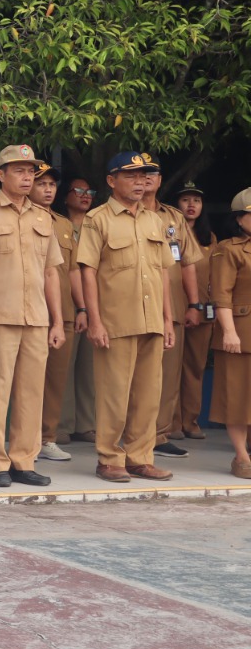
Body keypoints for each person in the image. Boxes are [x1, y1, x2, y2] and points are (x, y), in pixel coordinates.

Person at [0, 145, 65, 488]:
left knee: (32, 394)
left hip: (36, 318)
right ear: (1, 175)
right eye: (18, 170)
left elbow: (51, 274)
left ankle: (24, 460)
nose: (26, 177)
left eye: (30, 171)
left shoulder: (43, 217)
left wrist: (57, 321)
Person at [76, 151, 175, 482]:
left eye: (144, 175)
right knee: (114, 394)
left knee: (149, 396)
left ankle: (140, 457)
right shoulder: (98, 219)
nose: (140, 181)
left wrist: (167, 319)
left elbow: (162, 272)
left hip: (151, 320)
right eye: (131, 176)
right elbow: (87, 271)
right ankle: (109, 458)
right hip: (116, 322)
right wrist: (95, 320)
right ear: (111, 181)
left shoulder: (154, 220)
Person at [144, 172, 205, 457]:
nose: (144, 179)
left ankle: (159, 434)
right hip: (131, 307)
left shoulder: (173, 218)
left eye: (151, 174)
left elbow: (188, 263)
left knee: (168, 377)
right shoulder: (109, 216)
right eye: (136, 174)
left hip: (175, 308)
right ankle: (129, 435)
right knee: (131, 376)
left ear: (159, 180)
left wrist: (194, 304)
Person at [31, 164, 82, 463]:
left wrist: (83, 308)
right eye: (42, 184)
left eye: (51, 184)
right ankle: (23, 438)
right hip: (30, 311)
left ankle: (47, 438)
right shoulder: (21, 219)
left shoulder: (63, 225)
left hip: (63, 314)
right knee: (25, 380)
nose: (48, 189)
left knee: (55, 380)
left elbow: (74, 270)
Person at [208, 188, 251, 481]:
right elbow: (221, 295)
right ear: (240, 219)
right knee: (236, 397)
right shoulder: (230, 249)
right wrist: (229, 332)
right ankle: (241, 456)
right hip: (242, 331)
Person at [58, 177, 98, 443]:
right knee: (65, 364)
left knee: (90, 366)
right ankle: (63, 425)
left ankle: (86, 424)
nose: (85, 195)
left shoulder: (97, 224)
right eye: (79, 191)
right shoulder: (58, 225)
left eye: (89, 190)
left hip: (94, 300)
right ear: (66, 196)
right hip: (67, 301)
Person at [176, 183, 215, 440]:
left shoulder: (209, 238)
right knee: (168, 370)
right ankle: (169, 422)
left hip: (203, 312)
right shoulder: (168, 232)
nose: (191, 205)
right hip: (174, 311)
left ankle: (190, 420)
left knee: (194, 368)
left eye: (197, 201)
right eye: (186, 200)